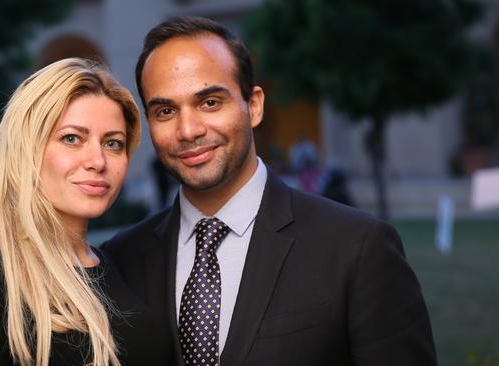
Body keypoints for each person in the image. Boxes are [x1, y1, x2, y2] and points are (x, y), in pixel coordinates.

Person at [103, 17, 437, 366]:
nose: (188, 130)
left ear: (255, 105)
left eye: (210, 102)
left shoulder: (357, 247)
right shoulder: (122, 259)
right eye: (166, 110)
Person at [0, 58, 172, 366]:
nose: (98, 161)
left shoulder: (120, 264)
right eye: (72, 138)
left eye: (113, 143)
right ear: (29, 150)